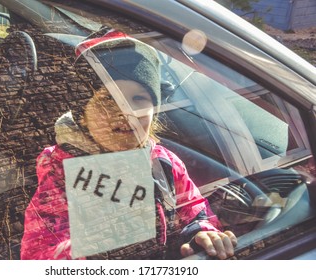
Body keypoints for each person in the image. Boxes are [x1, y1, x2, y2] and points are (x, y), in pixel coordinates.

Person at [20, 28, 237, 260]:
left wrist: (202, 233)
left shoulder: (164, 163)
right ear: (82, 115)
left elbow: (194, 210)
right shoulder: (62, 173)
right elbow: (39, 252)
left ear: (155, 110)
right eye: (108, 101)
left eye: (138, 99)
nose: (126, 113)